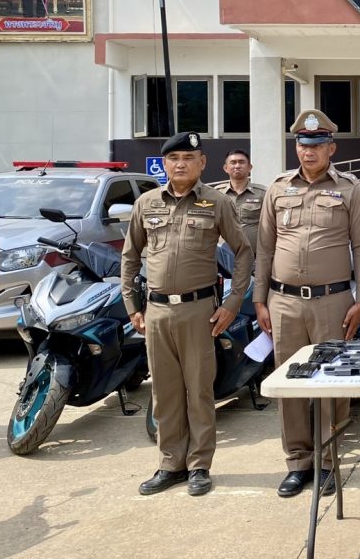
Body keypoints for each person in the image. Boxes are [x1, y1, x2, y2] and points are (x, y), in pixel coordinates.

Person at [120, 131, 253, 497]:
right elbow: (130, 256)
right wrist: (132, 306)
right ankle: (170, 464)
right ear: (164, 164)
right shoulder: (147, 203)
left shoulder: (215, 202)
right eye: (174, 158)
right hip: (157, 311)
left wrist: (232, 303)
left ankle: (198, 465)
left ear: (202, 163)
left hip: (199, 311)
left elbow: (243, 252)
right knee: (164, 392)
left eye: (188, 158)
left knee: (199, 391)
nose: (181, 164)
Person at [254, 109, 360, 498]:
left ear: (331, 148)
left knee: (333, 383)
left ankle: (328, 461)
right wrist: (259, 299)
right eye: (304, 145)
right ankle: (297, 462)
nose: (309, 152)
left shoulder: (350, 189)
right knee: (289, 383)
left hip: (332, 301)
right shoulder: (278, 189)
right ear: (297, 147)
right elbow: (265, 248)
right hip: (283, 302)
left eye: (317, 145)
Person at [212, 149, 267, 254]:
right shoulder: (217, 193)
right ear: (225, 168)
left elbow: (270, 225)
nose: (237, 166)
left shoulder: (262, 193)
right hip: (223, 256)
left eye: (241, 162)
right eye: (233, 163)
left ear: (250, 167)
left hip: (254, 255)